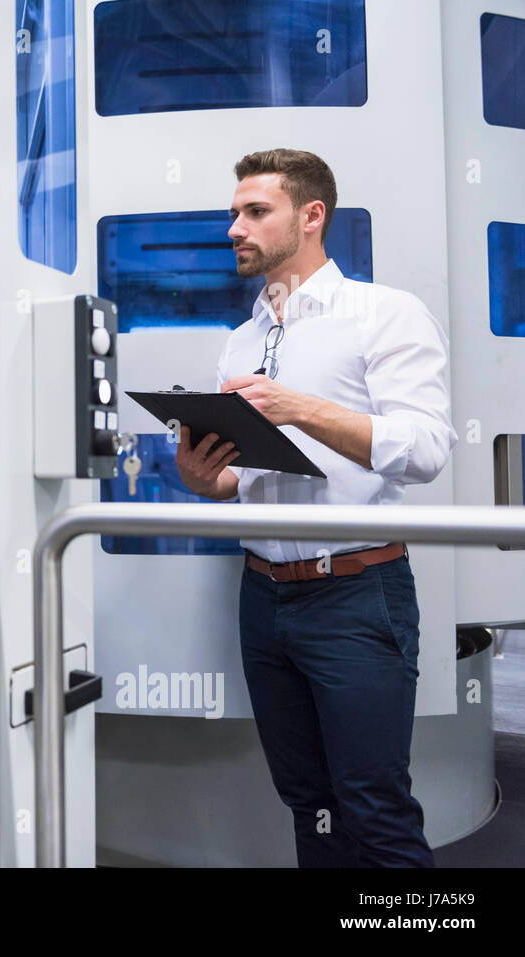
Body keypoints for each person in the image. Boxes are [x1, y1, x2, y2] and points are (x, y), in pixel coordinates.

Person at [174, 148, 457, 867]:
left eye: (253, 211)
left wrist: (303, 407)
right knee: (312, 803)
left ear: (310, 216)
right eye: (233, 212)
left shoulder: (383, 314)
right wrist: (210, 480)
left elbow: (425, 450)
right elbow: (251, 478)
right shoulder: (241, 341)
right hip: (263, 598)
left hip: (358, 594)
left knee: (375, 806)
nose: (233, 227)